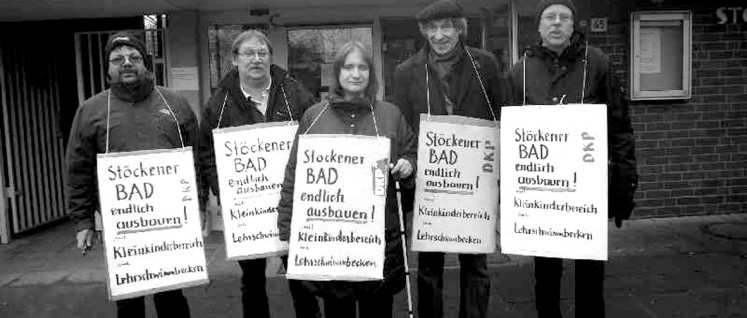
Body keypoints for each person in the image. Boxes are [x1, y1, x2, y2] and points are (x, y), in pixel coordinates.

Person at [506, 1, 638, 317]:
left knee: (591, 277)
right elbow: (509, 136)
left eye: (564, 17)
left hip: (585, 193)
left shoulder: (598, 63)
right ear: (538, 27)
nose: (556, 23)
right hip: (542, 193)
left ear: (573, 25)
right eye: (549, 17)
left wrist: (624, 183)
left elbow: (619, 126)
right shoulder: (519, 70)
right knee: (546, 276)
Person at [277, 41, 416, 318]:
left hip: (380, 239)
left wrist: (408, 166)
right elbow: (295, 173)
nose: (356, 73)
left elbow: (411, 154)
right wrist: (286, 227)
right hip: (331, 242)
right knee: (337, 310)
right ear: (337, 73)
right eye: (348, 67)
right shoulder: (314, 117)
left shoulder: (390, 115)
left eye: (362, 67)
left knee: (377, 311)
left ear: (371, 73)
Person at [65, 31, 197, 317]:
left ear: (146, 63)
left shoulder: (175, 103)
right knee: (129, 304)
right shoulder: (91, 111)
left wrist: (196, 205)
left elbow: (196, 157)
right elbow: (79, 169)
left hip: (171, 224)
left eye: (134, 57)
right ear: (108, 67)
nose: (126, 63)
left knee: (172, 297)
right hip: (122, 227)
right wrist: (83, 221)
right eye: (118, 59)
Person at [392, 1, 505, 317]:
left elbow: (500, 115)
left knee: (475, 262)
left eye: (447, 27)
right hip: (431, 180)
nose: (440, 35)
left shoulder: (486, 65)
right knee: (429, 265)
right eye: (433, 28)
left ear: (459, 29)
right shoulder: (405, 72)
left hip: (476, 180)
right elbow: (402, 126)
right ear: (424, 31)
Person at [197, 30, 319, 318]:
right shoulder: (218, 103)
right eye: (248, 53)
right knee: (252, 282)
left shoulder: (295, 93)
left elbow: (316, 134)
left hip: (293, 205)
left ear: (270, 58)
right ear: (234, 59)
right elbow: (206, 153)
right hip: (247, 210)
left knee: (302, 277)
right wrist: (224, 188)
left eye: (262, 53)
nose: (256, 59)